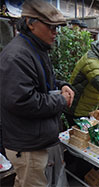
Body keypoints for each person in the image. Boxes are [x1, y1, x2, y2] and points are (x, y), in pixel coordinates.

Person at [0, 1, 75, 186]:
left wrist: (62, 85)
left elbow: (43, 83)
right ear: (30, 22)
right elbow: (23, 101)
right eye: (50, 27)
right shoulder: (17, 55)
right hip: (27, 145)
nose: (55, 32)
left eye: (56, 28)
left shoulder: (35, 48)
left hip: (32, 140)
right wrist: (61, 100)